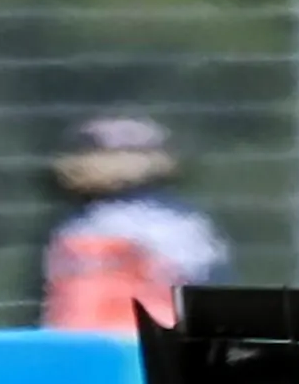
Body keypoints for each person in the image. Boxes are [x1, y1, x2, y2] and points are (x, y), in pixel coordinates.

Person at [40, 116, 229, 331]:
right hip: (73, 344)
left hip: (142, 344)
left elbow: (201, 285)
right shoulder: (77, 222)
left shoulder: (173, 223)